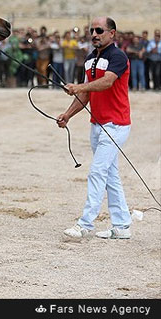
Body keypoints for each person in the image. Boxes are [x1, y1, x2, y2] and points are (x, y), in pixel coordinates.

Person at [58, 17, 132, 240]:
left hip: (116, 124)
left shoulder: (118, 57)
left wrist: (78, 86)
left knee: (97, 172)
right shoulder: (90, 59)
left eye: (99, 30)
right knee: (111, 176)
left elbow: (107, 82)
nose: (94, 34)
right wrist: (68, 115)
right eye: (92, 30)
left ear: (112, 34)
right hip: (97, 125)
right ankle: (122, 226)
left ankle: (85, 224)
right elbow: (86, 94)